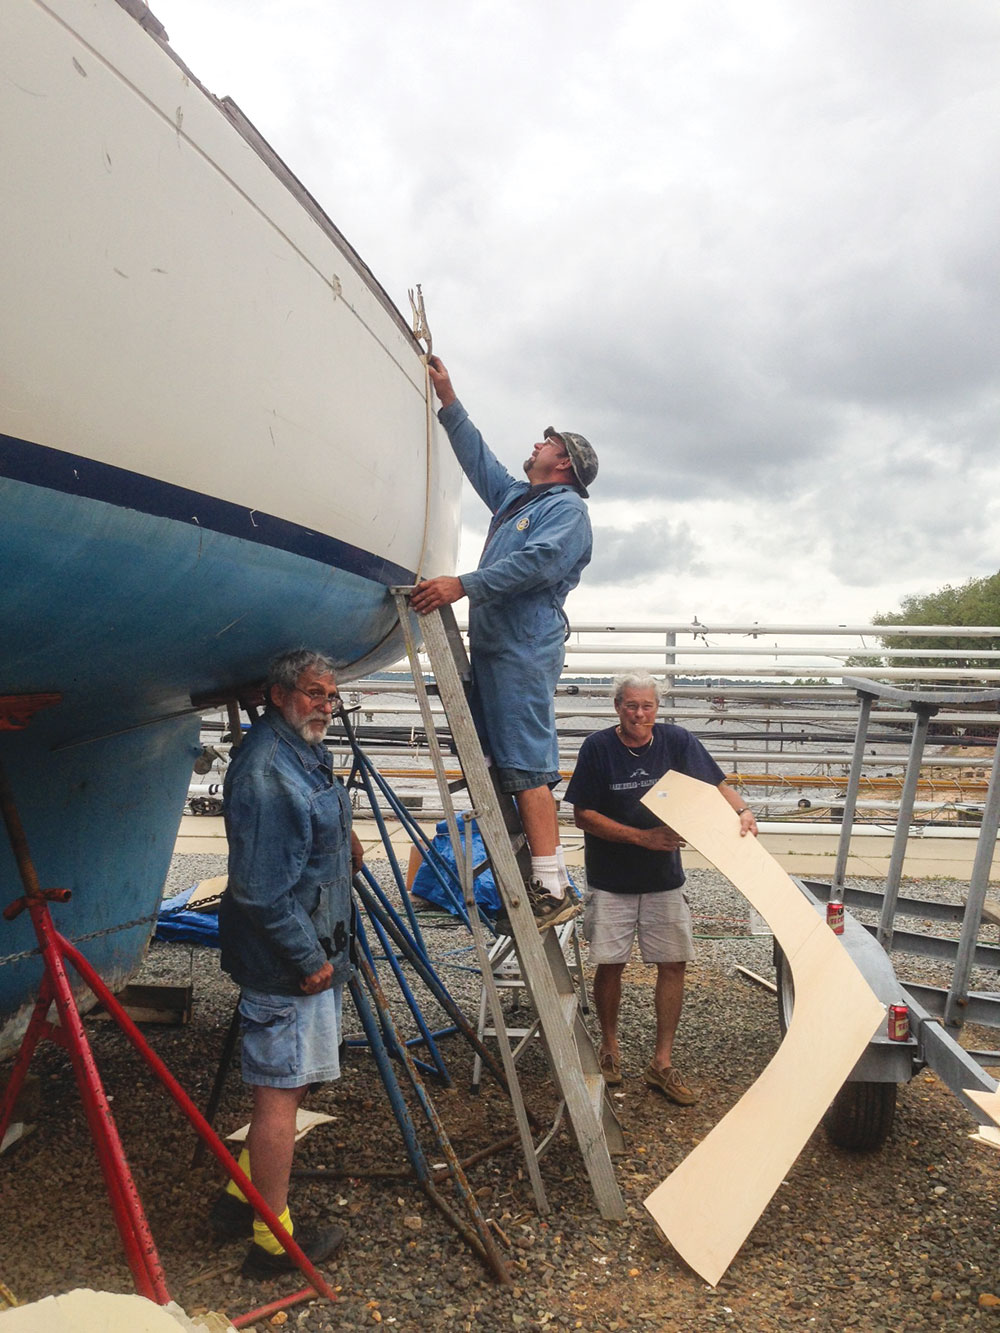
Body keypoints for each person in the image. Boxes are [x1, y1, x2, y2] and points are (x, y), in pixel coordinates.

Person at [410, 354, 598, 929]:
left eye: (546, 443)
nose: (536, 445)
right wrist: (449, 400)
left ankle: (549, 883)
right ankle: (533, 869)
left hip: (521, 648)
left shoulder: (565, 511)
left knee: (526, 762)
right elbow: (479, 462)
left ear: (562, 462)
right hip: (497, 648)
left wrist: (461, 584)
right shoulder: (521, 501)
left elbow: (540, 565)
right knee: (503, 758)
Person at [212, 649, 363, 1278]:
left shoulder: (305, 750)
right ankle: (273, 1244)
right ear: (278, 695)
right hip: (290, 961)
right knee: (278, 1097)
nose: (324, 707)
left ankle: (236, 1199)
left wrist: (347, 840)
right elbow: (261, 891)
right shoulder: (270, 771)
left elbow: (319, 819)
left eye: (331, 696)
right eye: (311, 694)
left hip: (319, 945)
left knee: (295, 1083)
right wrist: (307, 957)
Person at [565, 672, 758, 1105]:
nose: (639, 714)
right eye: (631, 705)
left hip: (663, 881)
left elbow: (716, 784)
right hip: (611, 879)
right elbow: (584, 815)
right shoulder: (598, 747)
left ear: (657, 708)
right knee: (610, 964)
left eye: (647, 706)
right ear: (617, 707)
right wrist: (642, 838)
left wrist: (743, 811)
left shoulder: (676, 741)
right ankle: (610, 1049)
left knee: (672, 964)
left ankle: (662, 1063)